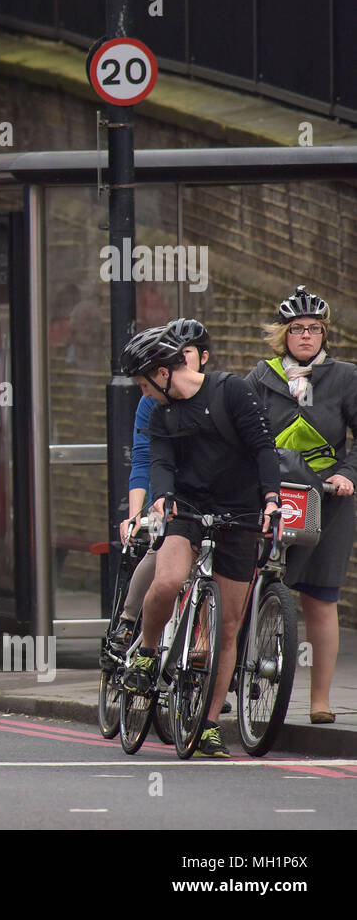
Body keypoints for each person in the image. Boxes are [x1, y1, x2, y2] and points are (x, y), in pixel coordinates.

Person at [118, 322, 280, 758]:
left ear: (161, 371)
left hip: (241, 512)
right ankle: (148, 652)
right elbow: (160, 462)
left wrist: (270, 499)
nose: (142, 391)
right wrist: (164, 497)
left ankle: (209, 724)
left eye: (141, 382)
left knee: (227, 628)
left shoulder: (232, 392)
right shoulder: (160, 412)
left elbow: (263, 448)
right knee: (167, 581)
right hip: (187, 510)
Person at [245, 287, 356, 724]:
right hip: (271, 495)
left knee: (320, 599)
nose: (307, 336)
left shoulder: (345, 377)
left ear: (324, 334)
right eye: (297, 329)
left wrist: (347, 474)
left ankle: (320, 700)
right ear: (283, 335)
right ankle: (228, 681)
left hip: (327, 499)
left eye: (315, 329)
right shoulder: (260, 377)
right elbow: (245, 435)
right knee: (243, 589)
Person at [112, 319, 213, 655]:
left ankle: (206, 658)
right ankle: (128, 622)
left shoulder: (218, 393)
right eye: (176, 353)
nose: (181, 359)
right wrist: (135, 514)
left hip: (212, 493)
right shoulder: (150, 402)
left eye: (187, 352)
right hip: (170, 490)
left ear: (203, 357)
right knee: (161, 552)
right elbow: (143, 460)